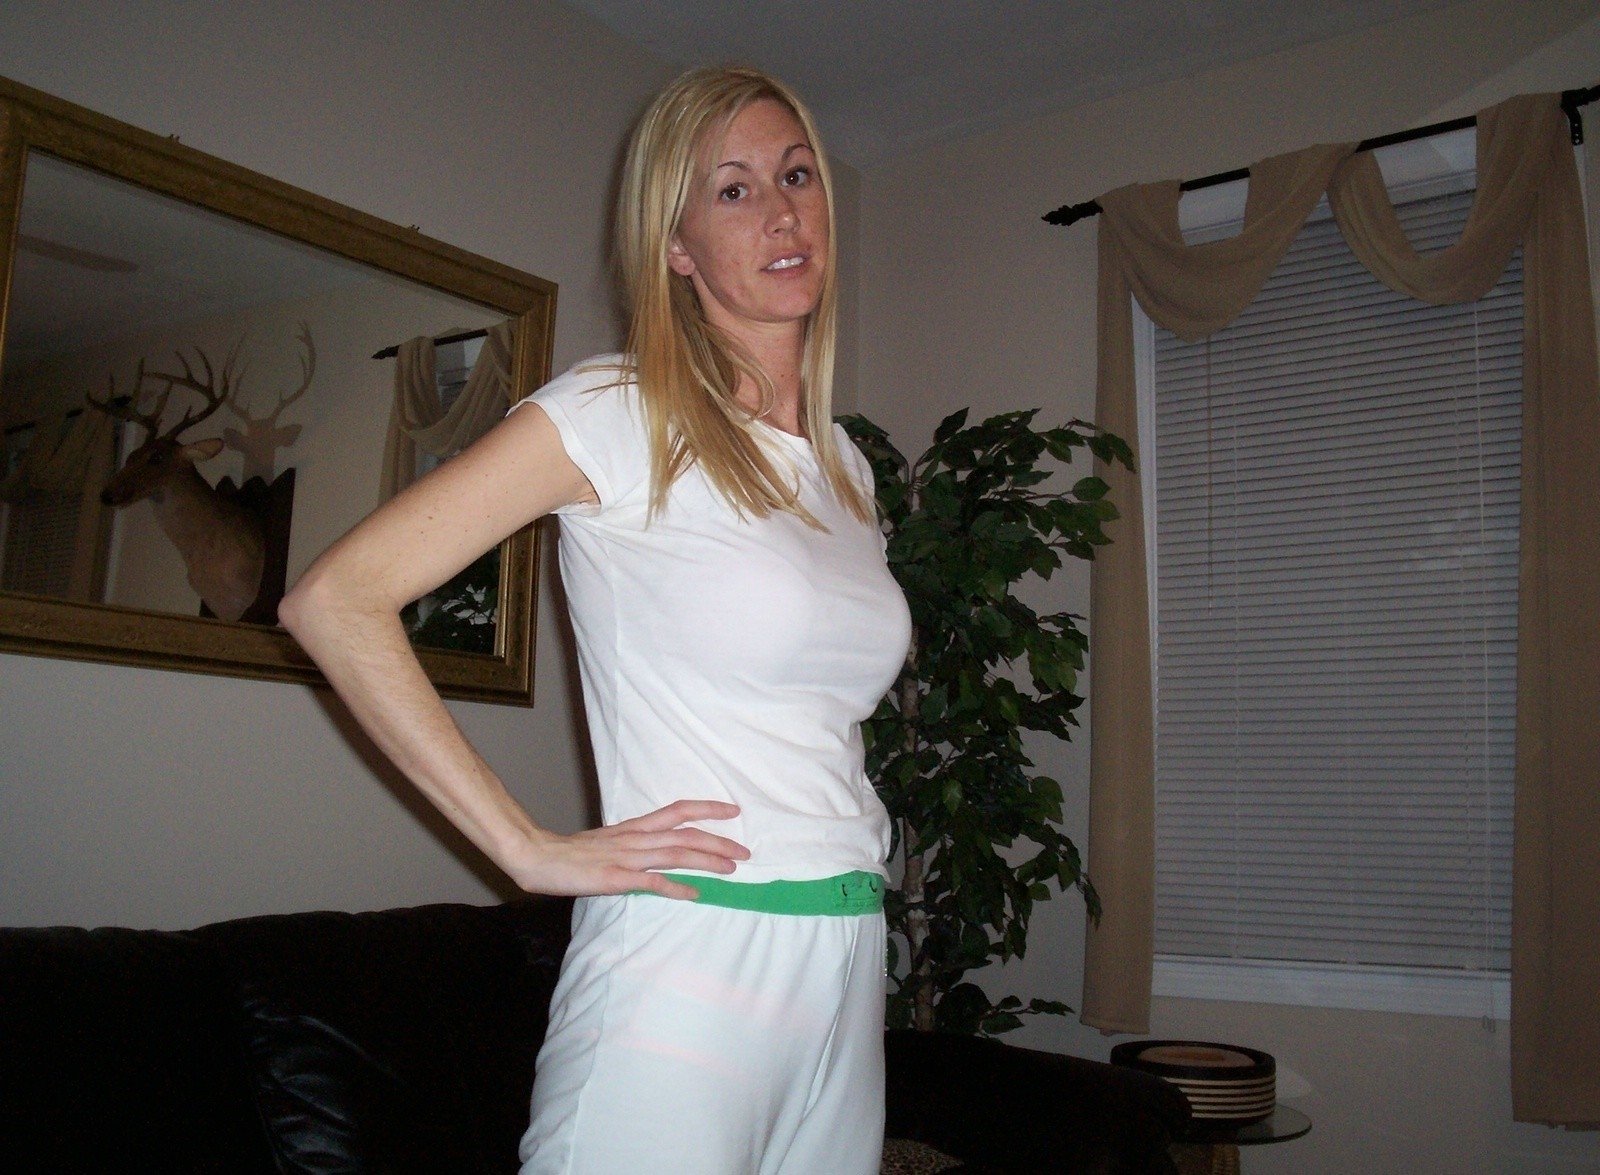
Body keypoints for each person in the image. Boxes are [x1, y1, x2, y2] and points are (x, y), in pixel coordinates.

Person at [279, 64, 911, 1174]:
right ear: (675, 246)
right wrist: (524, 847)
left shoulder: (846, 466)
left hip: (848, 950)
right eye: (732, 189)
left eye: (797, 174)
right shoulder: (621, 409)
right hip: (691, 958)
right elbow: (335, 598)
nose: (780, 211)